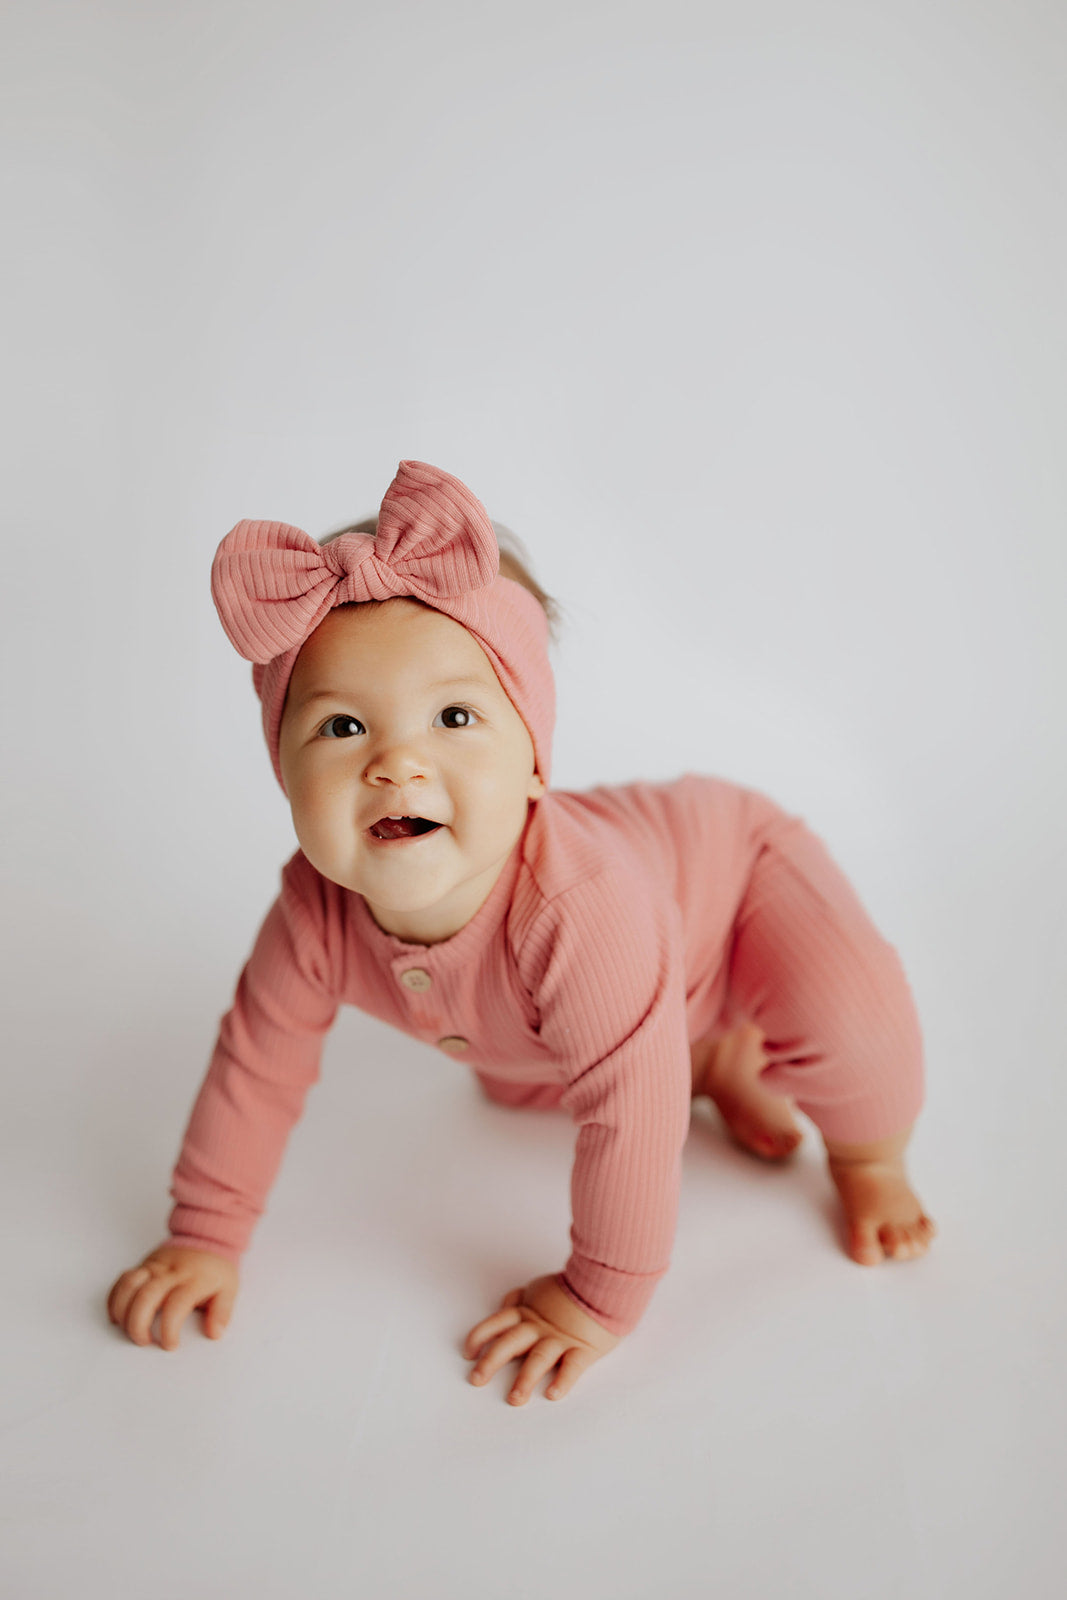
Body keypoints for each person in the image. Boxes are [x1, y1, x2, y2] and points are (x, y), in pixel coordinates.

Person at [106, 459, 936, 1405]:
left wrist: (598, 1298)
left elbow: (631, 1123)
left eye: (453, 716)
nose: (396, 764)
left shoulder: (579, 910)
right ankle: (703, 1056)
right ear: (283, 777)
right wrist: (203, 1235)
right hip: (555, 1016)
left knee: (853, 1026)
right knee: (526, 1077)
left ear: (535, 763)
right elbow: (256, 1066)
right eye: (340, 728)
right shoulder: (312, 911)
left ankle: (869, 1153)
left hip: (739, 881)